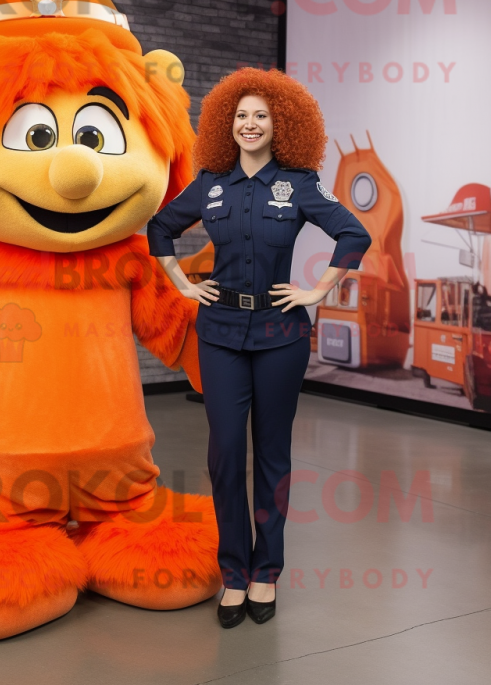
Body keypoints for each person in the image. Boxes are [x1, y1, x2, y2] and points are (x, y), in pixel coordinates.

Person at [146, 67, 371, 628]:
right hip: (219, 334)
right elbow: (159, 228)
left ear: (281, 125)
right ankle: (234, 573)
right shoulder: (210, 183)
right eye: (242, 115)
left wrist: (316, 290)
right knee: (224, 453)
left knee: (272, 456)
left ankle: (266, 572)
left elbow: (354, 233)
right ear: (228, 123)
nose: (250, 124)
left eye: (261, 116)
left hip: (280, 337)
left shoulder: (299, 184)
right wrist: (181, 282)